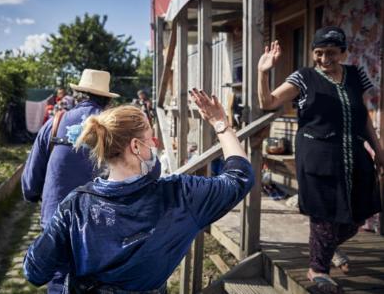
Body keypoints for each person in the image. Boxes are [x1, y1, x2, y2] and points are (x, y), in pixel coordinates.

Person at [23, 89, 254, 292]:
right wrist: (220, 124)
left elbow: (34, 271)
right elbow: (240, 177)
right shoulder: (180, 196)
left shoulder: (74, 206)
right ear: (135, 146)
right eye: (150, 137)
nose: (154, 143)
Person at [257, 26, 383, 293]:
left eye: (332, 53)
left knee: (360, 213)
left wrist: (379, 151)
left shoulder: (355, 75)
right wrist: (263, 72)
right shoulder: (304, 77)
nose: (325, 59)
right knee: (324, 215)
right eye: (319, 53)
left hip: (354, 154)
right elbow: (267, 102)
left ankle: (328, 247)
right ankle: (318, 269)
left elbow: (364, 118)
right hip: (318, 157)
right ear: (313, 53)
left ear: (342, 52)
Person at [21, 69, 119, 293]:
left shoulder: (55, 123)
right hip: (101, 223)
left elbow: (31, 179)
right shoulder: (113, 128)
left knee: (58, 282)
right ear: (107, 99)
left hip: (56, 219)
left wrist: (33, 194)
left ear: (78, 94)